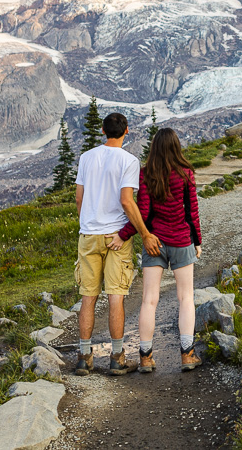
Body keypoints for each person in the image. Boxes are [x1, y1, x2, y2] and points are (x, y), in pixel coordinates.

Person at [73, 112, 161, 376]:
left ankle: (84, 357)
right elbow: (127, 201)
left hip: (88, 234)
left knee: (87, 297)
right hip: (116, 237)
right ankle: (116, 357)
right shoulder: (129, 161)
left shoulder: (86, 157)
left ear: (102, 130)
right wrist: (143, 233)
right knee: (115, 297)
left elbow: (79, 197)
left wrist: (87, 223)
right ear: (127, 131)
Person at [118, 127, 203, 372]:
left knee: (149, 300)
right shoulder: (186, 174)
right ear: (176, 147)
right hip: (181, 240)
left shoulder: (147, 174)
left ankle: (145, 357)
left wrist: (124, 236)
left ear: (154, 148)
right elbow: (192, 213)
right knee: (186, 298)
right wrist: (197, 241)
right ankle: (187, 355)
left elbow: (142, 214)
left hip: (154, 242)